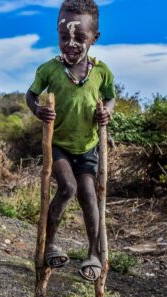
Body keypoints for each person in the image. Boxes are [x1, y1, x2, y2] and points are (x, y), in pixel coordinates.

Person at [26, 0, 116, 281]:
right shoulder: (49, 70)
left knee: (90, 196)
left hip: (88, 147)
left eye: (80, 37)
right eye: (65, 36)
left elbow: (111, 97)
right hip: (59, 145)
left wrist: (107, 113)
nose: (71, 43)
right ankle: (50, 244)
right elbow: (30, 95)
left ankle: (93, 253)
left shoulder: (101, 72)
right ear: (57, 33)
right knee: (67, 188)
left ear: (95, 38)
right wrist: (38, 109)